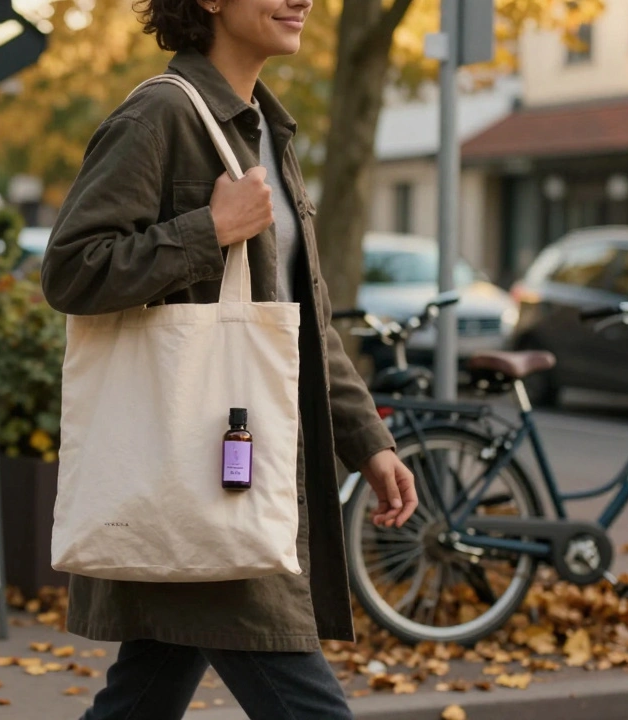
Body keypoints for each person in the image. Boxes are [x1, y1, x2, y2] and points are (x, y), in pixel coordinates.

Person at [39, 1, 419, 718]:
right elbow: (71, 271)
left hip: (222, 478)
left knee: (141, 700)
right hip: (204, 473)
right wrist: (208, 228)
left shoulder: (268, 131)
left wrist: (367, 439)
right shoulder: (157, 118)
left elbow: (302, 324)